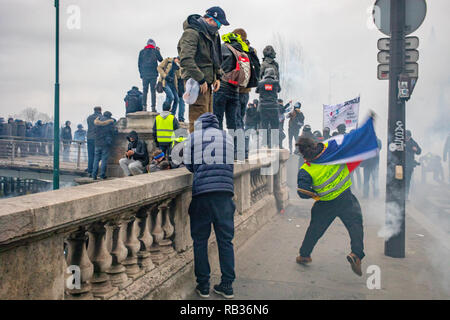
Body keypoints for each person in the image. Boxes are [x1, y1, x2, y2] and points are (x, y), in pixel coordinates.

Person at [295, 115, 379, 277]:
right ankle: (356, 254)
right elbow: (350, 140)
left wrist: (310, 193)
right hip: (346, 198)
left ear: (303, 154)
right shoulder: (330, 147)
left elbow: (303, 192)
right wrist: (365, 128)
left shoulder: (307, 169)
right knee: (355, 225)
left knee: (315, 230)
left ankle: (304, 255)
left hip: (325, 204)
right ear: (314, 142)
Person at [183, 112, 235, 299]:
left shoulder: (194, 137)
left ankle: (203, 285)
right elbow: (231, 164)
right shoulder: (227, 137)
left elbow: (189, 165)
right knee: (225, 241)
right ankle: (227, 285)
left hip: (202, 195)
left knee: (200, 241)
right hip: (224, 195)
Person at [178, 6, 228, 133]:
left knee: (208, 120)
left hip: (208, 83)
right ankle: (196, 150)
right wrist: (200, 79)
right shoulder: (191, 33)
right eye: (218, 23)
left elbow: (215, 57)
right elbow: (186, 59)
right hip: (196, 83)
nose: (219, 27)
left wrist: (217, 76)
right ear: (210, 19)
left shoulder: (213, 34)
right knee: (198, 121)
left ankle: (205, 149)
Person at [213, 31, 250, 133]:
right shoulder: (241, 50)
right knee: (233, 122)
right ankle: (236, 148)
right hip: (235, 89)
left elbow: (216, 64)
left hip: (222, 87)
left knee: (217, 119)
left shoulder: (223, 47)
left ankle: (219, 146)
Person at [232, 28, 260, 133]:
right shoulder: (252, 51)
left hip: (235, 89)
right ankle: (243, 146)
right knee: (240, 118)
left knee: (236, 119)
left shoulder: (233, 50)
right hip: (246, 90)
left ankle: (238, 146)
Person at [256, 68, 281, 148]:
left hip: (263, 107)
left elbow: (257, 91)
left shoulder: (261, 83)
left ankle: (264, 144)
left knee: (264, 126)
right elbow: (279, 90)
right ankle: (275, 144)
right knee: (275, 126)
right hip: (273, 107)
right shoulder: (276, 83)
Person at [138, 39, 163, 112]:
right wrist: (158, 51)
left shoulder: (142, 52)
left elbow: (139, 64)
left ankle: (144, 107)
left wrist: (141, 73)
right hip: (153, 74)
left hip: (145, 74)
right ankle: (153, 107)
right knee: (153, 91)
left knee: (145, 91)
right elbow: (161, 60)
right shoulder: (155, 51)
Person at [92, 111, 116, 180]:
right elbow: (113, 132)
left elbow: (94, 132)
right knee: (104, 160)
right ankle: (102, 175)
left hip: (97, 143)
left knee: (96, 160)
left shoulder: (97, 122)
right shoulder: (109, 123)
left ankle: (94, 175)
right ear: (109, 116)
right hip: (105, 144)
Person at [405, 130, 422, 199]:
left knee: (407, 181)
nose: (406, 137)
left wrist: (416, 149)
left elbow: (419, 151)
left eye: (407, 136)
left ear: (410, 136)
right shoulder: (400, 142)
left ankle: (406, 196)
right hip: (401, 164)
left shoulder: (413, 143)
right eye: (405, 136)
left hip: (409, 164)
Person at [86, 106, 102, 176]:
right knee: (97, 155)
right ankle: (95, 171)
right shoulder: (101, 117)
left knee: (90, 155)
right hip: (97, 138)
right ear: (100, 110)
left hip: (89, 137)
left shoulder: (89, 117)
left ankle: (90, 170)